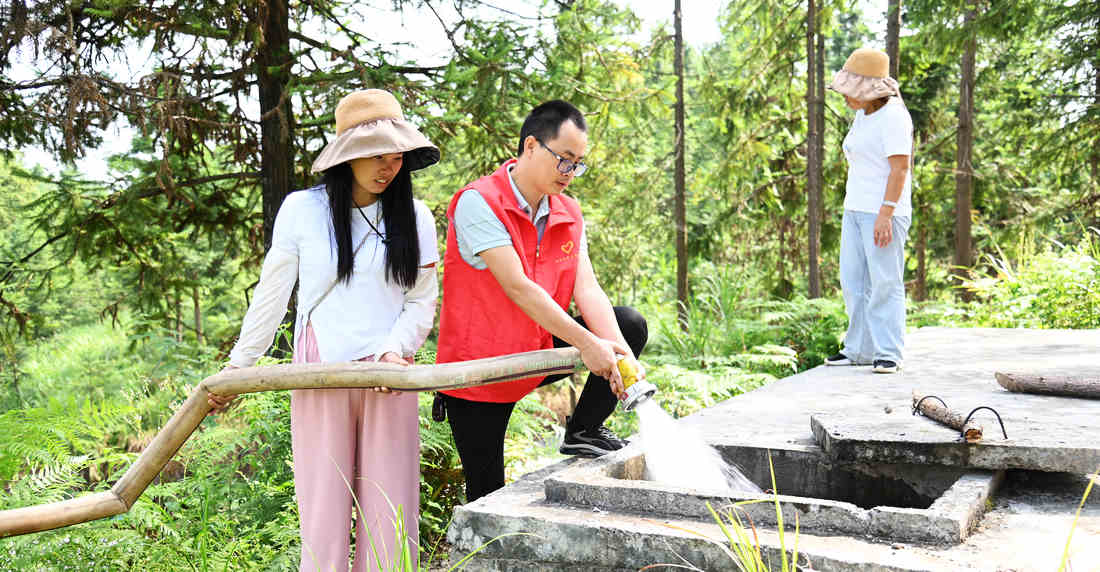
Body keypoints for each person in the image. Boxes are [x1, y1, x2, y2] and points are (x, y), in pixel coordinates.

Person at [208, 89, 441, 571]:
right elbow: (271, 297)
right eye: (376, 156)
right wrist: (239, 366)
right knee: (323, 505)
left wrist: (395, 350)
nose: (387, 168)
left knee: (391, 504)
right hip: (321, 365)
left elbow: (421, 300)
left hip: (390, 372)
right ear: (348, 156)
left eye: (395, 157)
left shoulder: (415, 217)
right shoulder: (302, 209)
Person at [434, 100, 649, 503]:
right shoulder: (478, 202)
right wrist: (587, 344)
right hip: (480, 373)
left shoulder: (568, 211)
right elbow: (518, 287)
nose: (570, 173)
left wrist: (621, 356)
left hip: (536, 351)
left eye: (578, 163)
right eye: (564, 159)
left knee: (628, 326)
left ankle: (584, 430)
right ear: (531, 146)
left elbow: (587, 289)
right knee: (487, 495)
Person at [824, 48, 913, 374]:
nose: (845, 96)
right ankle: (859, 348)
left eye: (850, 91)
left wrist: (885, 214)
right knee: (853, 281)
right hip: (855, 209)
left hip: (884, 212)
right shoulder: (863, 115)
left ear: (869, 91)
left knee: (885, 281)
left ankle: (889, 351)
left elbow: (900, 169)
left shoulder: (894, 116)